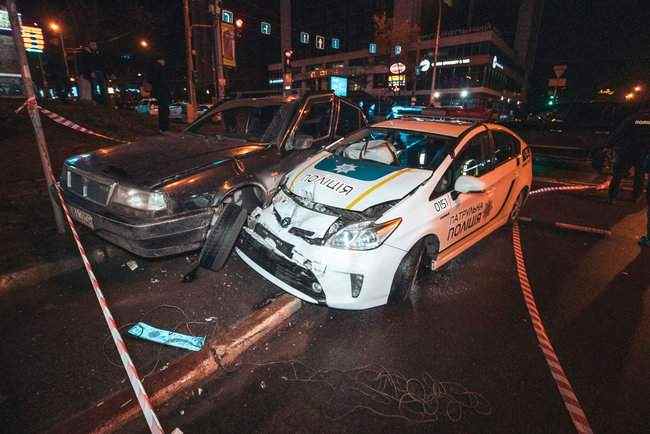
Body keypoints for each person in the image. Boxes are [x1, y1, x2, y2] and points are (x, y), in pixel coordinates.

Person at [608, 104, 650, 203]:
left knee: (618, 173)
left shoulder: (632, 119)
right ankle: (636, 196)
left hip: (628, 149)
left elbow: (619, 133)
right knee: (640, 175)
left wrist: (609, 145)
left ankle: (612, 196)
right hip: (643, 151)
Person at [146, 56, 171, 133]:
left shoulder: (155, 68)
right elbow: (162, 81)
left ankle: (163, 127)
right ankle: (164, 127)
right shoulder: (159, 68)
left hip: (159, 91)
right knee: (164, 109)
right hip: (162, 91)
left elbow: (151, 79)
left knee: (162, 109)